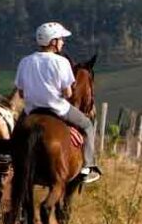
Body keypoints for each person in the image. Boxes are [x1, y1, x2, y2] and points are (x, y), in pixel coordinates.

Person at [15, 21, 101, 183]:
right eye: (61, 39)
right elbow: (68, 92)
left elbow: (20, 92)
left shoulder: (25, 61)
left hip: (31, 111)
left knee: (17, 131)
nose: (63, 42)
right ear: (53, 42)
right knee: (88, 125)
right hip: (58, 110)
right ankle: (88, 166)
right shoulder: (61, 62)